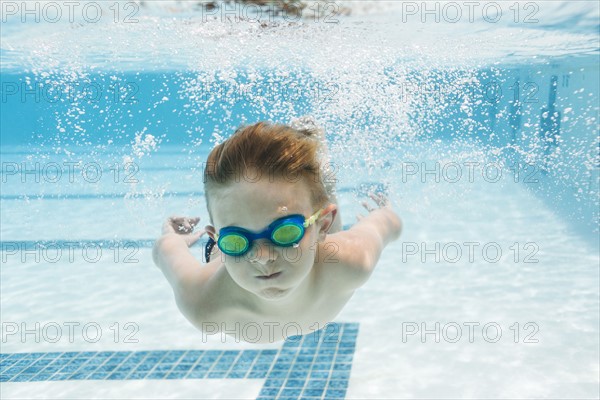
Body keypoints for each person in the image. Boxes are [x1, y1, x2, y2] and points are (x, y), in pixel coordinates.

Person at [152, 117, 402, 343]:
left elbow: (387, 223)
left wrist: (384, 212)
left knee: (326, 238)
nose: (263, 257)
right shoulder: (204, 303)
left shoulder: (353, 260)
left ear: (322, 224)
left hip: (321, 250)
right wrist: (174, 236)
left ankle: (322, 179)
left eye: (284, 233)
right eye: (236, 240)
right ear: (215, 237)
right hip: (234, 263)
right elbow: (166, 248)